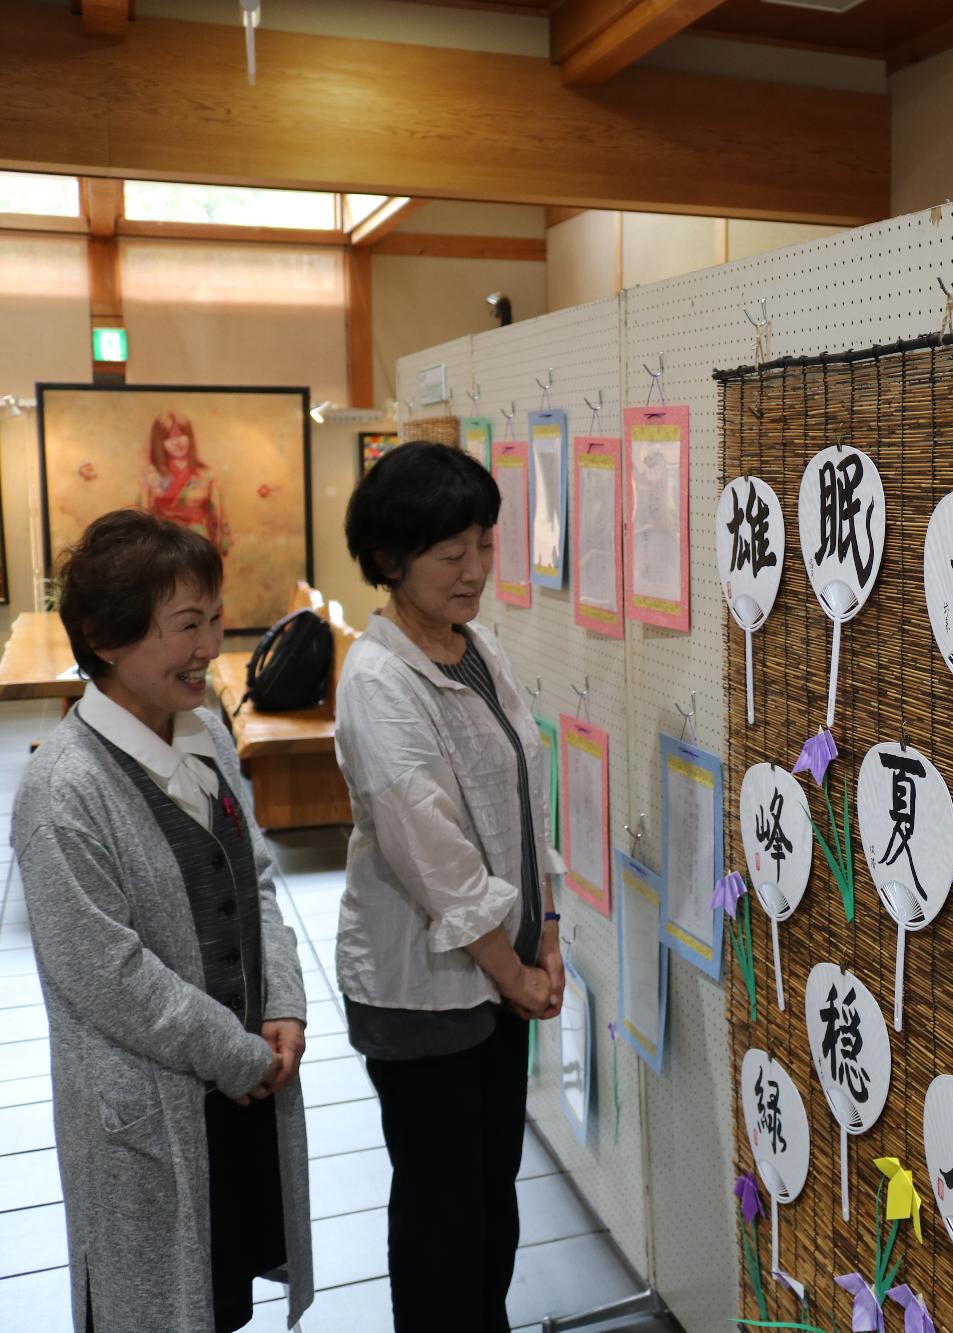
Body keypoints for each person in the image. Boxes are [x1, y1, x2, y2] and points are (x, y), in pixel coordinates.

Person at [13, 510, 314, 1333]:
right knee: (154, 1300)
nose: (210, 645)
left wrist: (282, 999)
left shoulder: (204, 729)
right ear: (108, 639)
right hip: (155, 1108)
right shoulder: (63, 792)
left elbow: (252, 875)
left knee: (218, 1297)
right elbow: (111, 976)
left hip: (238, 1085)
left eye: (214, 619)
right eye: (187, 625)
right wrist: (236, 1052)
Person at [335, 443, 564, 1332]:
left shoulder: (480, 650)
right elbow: (433, 855)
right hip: (424, 988)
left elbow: (523, 793)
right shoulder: (380, 680)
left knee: (491, 1190)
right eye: (449, 552)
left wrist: (544, 932)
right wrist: (516, 974)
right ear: (392, 560)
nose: (474, 569)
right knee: (441, 1206)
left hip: (502, 964)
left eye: (483, 543)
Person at [137, 410, 232, 555]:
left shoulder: (206, 474)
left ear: (190, 437)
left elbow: (217, 514)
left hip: (197, 541)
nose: (177, 442)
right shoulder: (151, 474)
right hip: (162, 545)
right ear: (160, 443)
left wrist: (220, 543)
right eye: (169, 438)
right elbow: (142, 512)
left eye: (182, 435)